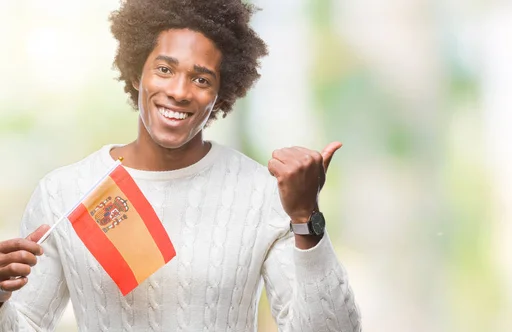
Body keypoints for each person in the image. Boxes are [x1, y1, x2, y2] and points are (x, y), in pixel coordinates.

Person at [0, 0, 361, 331]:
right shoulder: (66, 191)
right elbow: (27, 322)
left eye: (201, 79)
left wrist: (305, 217)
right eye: (164, 69)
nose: (179, 91)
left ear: (221, 93)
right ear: (137, 74)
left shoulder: (260, 193)